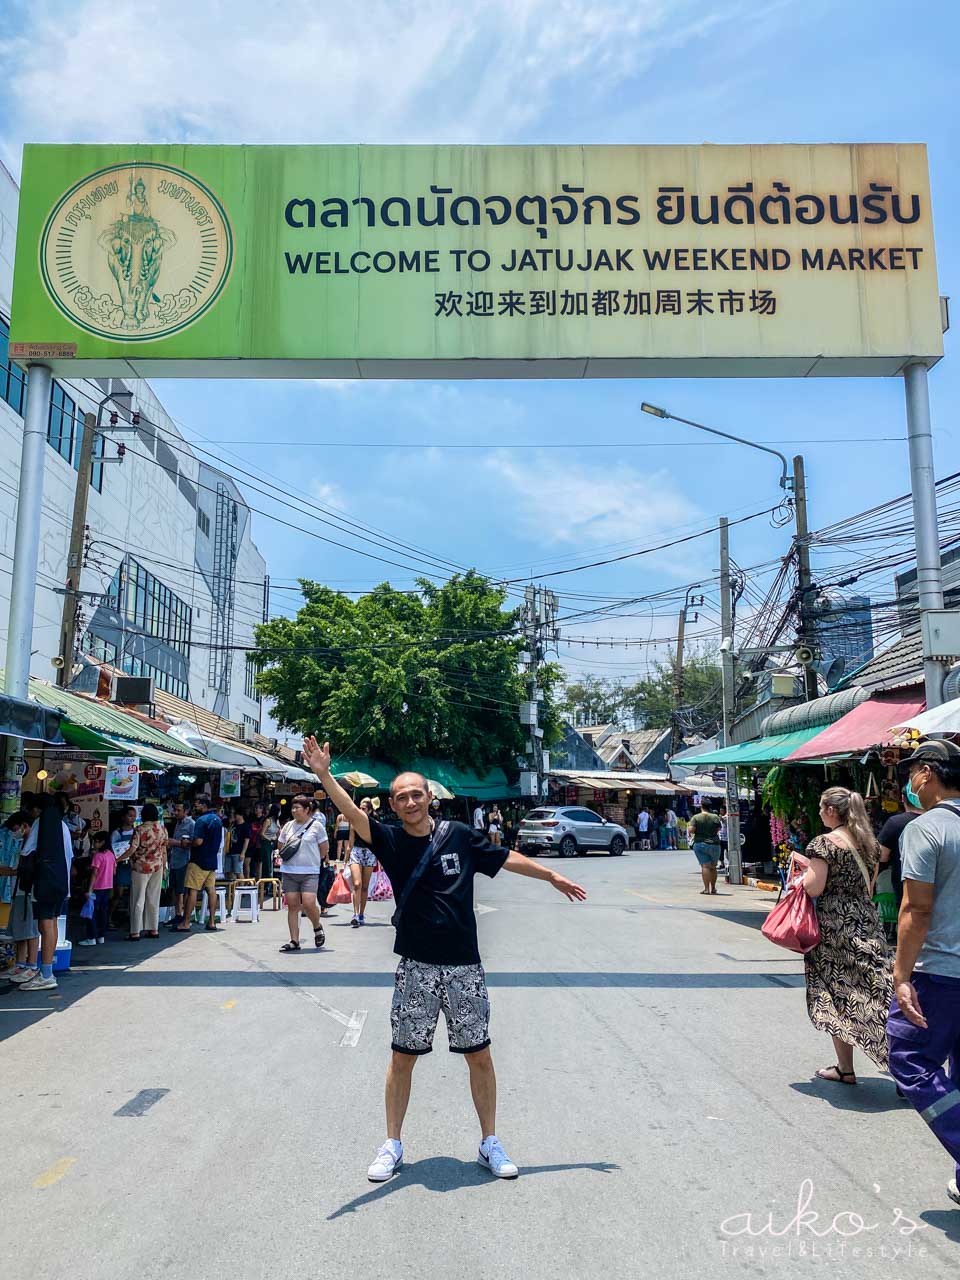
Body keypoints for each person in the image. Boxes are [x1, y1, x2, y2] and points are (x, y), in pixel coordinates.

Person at [303, 735, 586, 1184]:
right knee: (402, 1058)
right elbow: (354, 815)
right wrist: (323, 774)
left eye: (417, 794)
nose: (410, 801)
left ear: (429, 797)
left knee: (480, 1055)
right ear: (393, 806)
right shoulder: (391, 842)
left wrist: (549, 873)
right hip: (416, 967)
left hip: (464, 968)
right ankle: (392, 1143)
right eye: (401, 797)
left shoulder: (459, 835)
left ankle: (489, 1141)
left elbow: (506, 857)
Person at [886, 740, 960, 1207]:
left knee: (909, 1060)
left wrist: (901, 975)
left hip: (938, 973)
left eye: (912, 772)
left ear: (927, 773)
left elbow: (916, 906)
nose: (910, 782)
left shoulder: (926, 828)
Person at [794, 786, 892, 1085]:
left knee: (837, 993)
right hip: (866, 922)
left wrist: (801, 874)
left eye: (822, 807)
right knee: (877, 991)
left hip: (834, 927)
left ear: (832, 811)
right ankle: (901, 1064)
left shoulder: (823, 845)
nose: (820, 812)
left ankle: (845, 1068)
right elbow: (870, 888)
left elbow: (814, 888)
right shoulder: (870, 844)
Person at [18, 796, 73, 991]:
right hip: (62, 882)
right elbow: (70, 855)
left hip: (45, 881)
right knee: (53, 921)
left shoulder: (41, 824)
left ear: (38, 810)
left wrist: (25, 836)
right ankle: (47, 970)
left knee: (45, 923)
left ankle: (47, 974)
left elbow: (26, 852)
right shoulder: (63, 827)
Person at [276, 794, 329, 952]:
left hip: (310, 872)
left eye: (297, 808)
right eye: (292, 808)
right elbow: (280, 844)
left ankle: (317, 926)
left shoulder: (317, 826)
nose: (294, 810)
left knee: (308, 903)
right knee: (292, 905)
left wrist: (313, 860)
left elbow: (324, 847)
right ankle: (294, 941)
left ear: (307, 810)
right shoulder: (288, 826)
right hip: (289, 871)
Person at [0, 811, 39, 983]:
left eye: (16, 828)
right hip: (19, 890)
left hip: (29, 890)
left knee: (30, 928)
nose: (14, 832)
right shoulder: (23, 843)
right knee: (19, 928)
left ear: (25, 826)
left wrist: (10, 871)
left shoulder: (35, 845)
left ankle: (31, 966)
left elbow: (29, 870)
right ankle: (20, 963)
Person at [177, 796, 223, 932]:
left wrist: (187, 844)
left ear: (203, 805)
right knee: (211, 890)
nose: (195, 807)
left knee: (192, 891)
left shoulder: (201, 820)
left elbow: (198, 842)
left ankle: (185, 923)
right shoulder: (217, 819)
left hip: (199, 860)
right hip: (212, 860)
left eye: (196, 805)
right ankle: (212, 922)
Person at [125, 803, 168, 940]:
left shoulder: (140, 829)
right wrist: (165, 867)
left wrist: (118, 858)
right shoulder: (162, 829)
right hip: (158, 866)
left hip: (140, 867)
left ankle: (135, 931)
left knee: (138, 899)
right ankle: (153, 929)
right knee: (154, 898)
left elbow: (132, 849)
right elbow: (164, 850)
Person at [878, 789, 923, 911]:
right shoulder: (935, 821)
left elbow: (882, 856)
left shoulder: (895, 823)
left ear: (902, 798)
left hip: (904, 885)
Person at [80, 830, 116, 946]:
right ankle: (101, 936)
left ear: (102, 842)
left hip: (97, 888)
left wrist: (89, 890)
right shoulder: (111, 855)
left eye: (96, 842)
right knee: (103, 913)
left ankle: (91, 937)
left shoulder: (98, 856)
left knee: (91, 913)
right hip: (108, 887)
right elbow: (114, 872)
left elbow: (94, 874)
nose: (94, 844)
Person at [347, 797, 378, 927]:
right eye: (359, 807)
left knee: (365, 886)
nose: (360, 810)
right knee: (357, 883)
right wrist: (345, 860)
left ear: (370, 811)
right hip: (356, 852)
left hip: (370, 853)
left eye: (364, 808)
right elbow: (350, 843)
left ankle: (361, 914)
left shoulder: (374, 824)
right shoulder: (354, 822)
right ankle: (354, 914)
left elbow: (378, 842)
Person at [167, 801, 194, 927]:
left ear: (186, 811)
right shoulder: (177, 823)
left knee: (182, 889)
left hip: (184, 861)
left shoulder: (191, 824)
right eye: (175, 810)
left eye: (178, 810)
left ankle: (184, 915)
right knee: (175, 889)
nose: (175, 813)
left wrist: (175, 843)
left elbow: (193, 843)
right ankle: (178, 914)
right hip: (174, 860)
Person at [110, 805, 138, 928]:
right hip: (121, 866)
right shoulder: (117, 833)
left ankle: (130, 917)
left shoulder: (137, 832)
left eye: (134, 816)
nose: (132, 818)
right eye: (129, 815)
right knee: (118, 893)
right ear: (123, 817)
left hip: (133, 866)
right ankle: (109, 916)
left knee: (134, 894)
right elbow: (113, 848)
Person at [688, 801, 722, 894]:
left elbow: (691, 830)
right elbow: (719, 829)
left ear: (701, 806)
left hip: (700, 843)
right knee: (713, 867)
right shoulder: (715, 817)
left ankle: (707, 889)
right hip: (715, 844)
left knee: (705, 867)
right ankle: (713, 888)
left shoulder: (695, 817)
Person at [259, 804, 281, 879]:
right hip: (266, 843)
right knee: (267, 863)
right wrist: (269, 839)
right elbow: (262, 833)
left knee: (272, 863)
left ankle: (271, 881)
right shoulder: (268, 820)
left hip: (274, 843)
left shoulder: (277, 821)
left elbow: (279, 832)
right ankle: (266, 883)